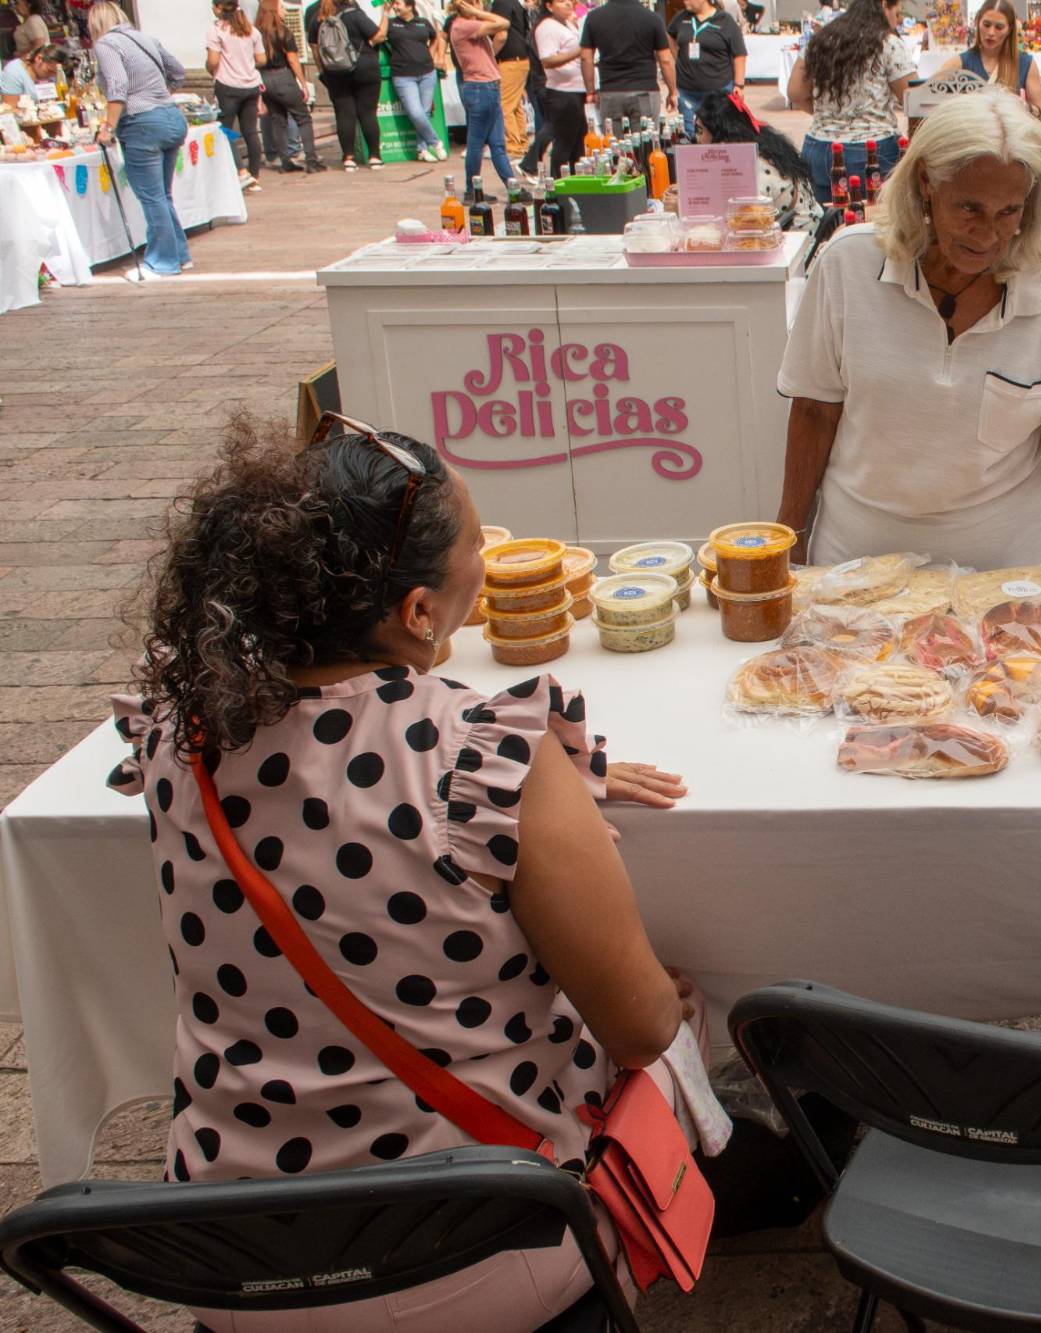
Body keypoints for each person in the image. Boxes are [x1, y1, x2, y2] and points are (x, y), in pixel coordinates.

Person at [111, 413, 712, 1330]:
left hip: (231, 1257)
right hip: (469, 1251)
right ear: (421, 613)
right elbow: (636, 1029)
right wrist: (542, 786)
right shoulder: (483, 752)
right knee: (677, 1021)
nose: (484, 554)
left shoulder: (175, 734)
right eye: (477, 542)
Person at [775, 93, 1041, 567]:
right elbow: (815, 411)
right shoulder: (849, 265)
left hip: (1016, 567)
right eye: (969, 208)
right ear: (926, 181)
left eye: (1009, 212)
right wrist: (790, 537)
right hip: (863, 560)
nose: (988, 235)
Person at [88, 3, 190, 276]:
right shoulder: (145, 38)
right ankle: (179, 253)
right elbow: (178, 71)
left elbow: (118, 86)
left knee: (152, 196)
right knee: (163, 194)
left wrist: (107, 128)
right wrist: (160, 94)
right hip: (170, 116)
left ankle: (162, 261)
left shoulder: (107, 44)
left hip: (142, 123)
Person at [788, 0, 914, 204]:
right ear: (884, 5)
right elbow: (910, 97)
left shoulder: (821, 38)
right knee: (870, 224)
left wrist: (825, 113)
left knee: (826, 223)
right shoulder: (888, 43)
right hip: (873, 151)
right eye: (896, 13)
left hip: (819, 147)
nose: (897, 21)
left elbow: (795, 91)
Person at [694, 89, 823, 230]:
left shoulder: (750, 170)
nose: (698, 139)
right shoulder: (763, 146)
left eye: (701, 131)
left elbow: (743, 224)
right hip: (807, 229)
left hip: (796, 241)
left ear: (721, 136)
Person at [932, 0, 1041, 117]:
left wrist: (1022, 106)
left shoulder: (1026, 63)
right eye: (986, 25)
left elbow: (1038, 113)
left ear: (1009, 29)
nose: (991, 32)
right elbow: (930, 93)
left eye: (999, 27)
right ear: (978, 23)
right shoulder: (960, 62)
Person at [309, 0, 384, 171]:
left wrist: (323, 70)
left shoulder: (318, 19)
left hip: (335, 72)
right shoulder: (355, 14)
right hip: (364, 67)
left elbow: (315, 49)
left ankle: (348, 158)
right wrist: (385, 16)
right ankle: (374, 157)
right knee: (368, 113)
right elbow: (377, 36)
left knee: (344, 114)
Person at [450, 0, 516, 188]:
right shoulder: (464, 26)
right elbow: (504, 24)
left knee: (497, 145)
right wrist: (477, 13)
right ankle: (472, 190)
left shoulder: (465, 25)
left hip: (487, 87)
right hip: (481, 88)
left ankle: (511, 187)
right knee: (476, 145)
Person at [578, 0, 671, 132]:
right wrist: (672, 91)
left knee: (614, 146)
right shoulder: (652, 18)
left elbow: (585, 58)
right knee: (645, 144)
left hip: (610, 91)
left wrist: (590, 91)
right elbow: (665, 59)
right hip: (644, 90)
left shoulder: (594, 17)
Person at [252, 0, 320, 172]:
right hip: (283, 76)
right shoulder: (283, 31)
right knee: (303, 117)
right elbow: (292, 59)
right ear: (274, 11)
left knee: (278, 119)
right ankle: (311, 160)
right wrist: (303, 83)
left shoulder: (255, 33)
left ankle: (285, 161)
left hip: (265, 78)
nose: (284, 10)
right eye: (281, 7)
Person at [205, 1, 265, 191]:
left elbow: (213, 61)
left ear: (218, 8)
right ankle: (254, 176)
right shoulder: (251, 30)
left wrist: (210, 67)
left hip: (228, 86)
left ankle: (241, 172)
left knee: (225, 131)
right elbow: (261, 59)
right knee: (251, 131)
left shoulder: (216, 30)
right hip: (251, 85)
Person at [523, 0, 586, 175]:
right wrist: (579, 51)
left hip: (575, 90)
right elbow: (547, 60)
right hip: (561, 91)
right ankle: (558, 187)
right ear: (550, 6)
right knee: (564, 144)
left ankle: (574, 183)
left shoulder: (567, 24)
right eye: (561, 1)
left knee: (577, 142)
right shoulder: (547, 27)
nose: (568, 4)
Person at [382, 0, 447, 162]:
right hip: (404, 76)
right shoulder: (391, 24)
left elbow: (435, 38)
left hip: (427, 72)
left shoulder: (422, 23)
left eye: (398, 3)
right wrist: (384, 12)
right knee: (415, 112)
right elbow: (380, 36)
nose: (395, 7)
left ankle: (422, 149)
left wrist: (432, 55)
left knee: (424, 113)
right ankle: (436, 142)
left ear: (409, 6)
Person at [666, 0, 745, 132]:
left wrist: (739, 85)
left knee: (717, 133)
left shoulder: (725, 21)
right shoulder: (681, 18)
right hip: (686, 92)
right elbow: (669, 35)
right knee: (689, 134)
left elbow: (739, 54)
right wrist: (677, 57)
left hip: (718, 92)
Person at [489, 0, 533, 158]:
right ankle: (521, 141)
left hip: (509, 59)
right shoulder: (515, 4)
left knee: (504, 104)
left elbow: (501, 34)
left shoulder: (501, 3)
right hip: (521, 58)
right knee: (515, 105)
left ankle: (513, 145)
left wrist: (490, 56)